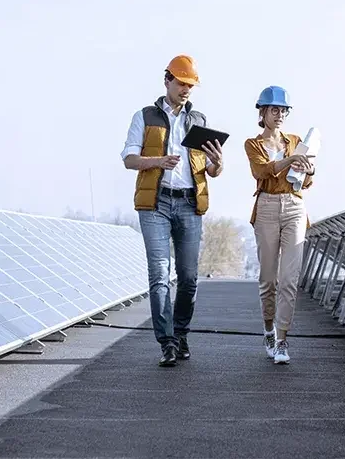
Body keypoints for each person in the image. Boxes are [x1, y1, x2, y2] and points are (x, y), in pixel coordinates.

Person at [121, 54, 224, 367]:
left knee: (190, 277)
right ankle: (166, 342)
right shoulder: (145, 116)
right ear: (167, 81)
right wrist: (157, 162)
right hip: (156, 204)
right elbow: (128, 158)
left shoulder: (199, 120)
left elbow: (210, 169)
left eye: (190, 85)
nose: (186, 89)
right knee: (160, 274)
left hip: (190, 203)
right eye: (181, 83)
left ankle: (180, 334)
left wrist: (218, 164)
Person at [243, 86, 315, 364]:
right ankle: (268, 330)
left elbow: (306, 182)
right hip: (267, 207)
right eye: (274, 109)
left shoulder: (295, 141)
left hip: (295, 206)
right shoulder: (253, 144)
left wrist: (307, 172)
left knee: (289, 279)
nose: (280, 114)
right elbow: (260, 171)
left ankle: (283, 340)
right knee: (269, 280)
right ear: (262, 112)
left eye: (283, 110)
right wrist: (290, 160)